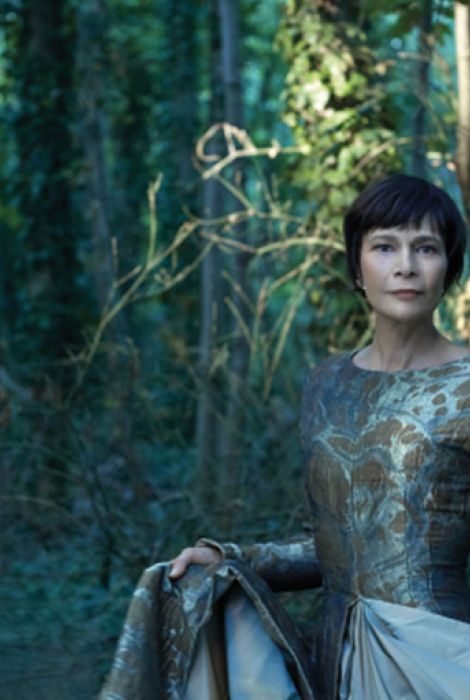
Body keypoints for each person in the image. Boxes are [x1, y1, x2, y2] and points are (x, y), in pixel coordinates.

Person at [100, 175, 470, 700]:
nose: (406, 265)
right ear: (357, 267)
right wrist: (230, 558)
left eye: (426, 248)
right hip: (334, 662)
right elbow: (332, 548)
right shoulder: (327, 383)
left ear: (449, 268)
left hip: (439, 666)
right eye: (385, 246)